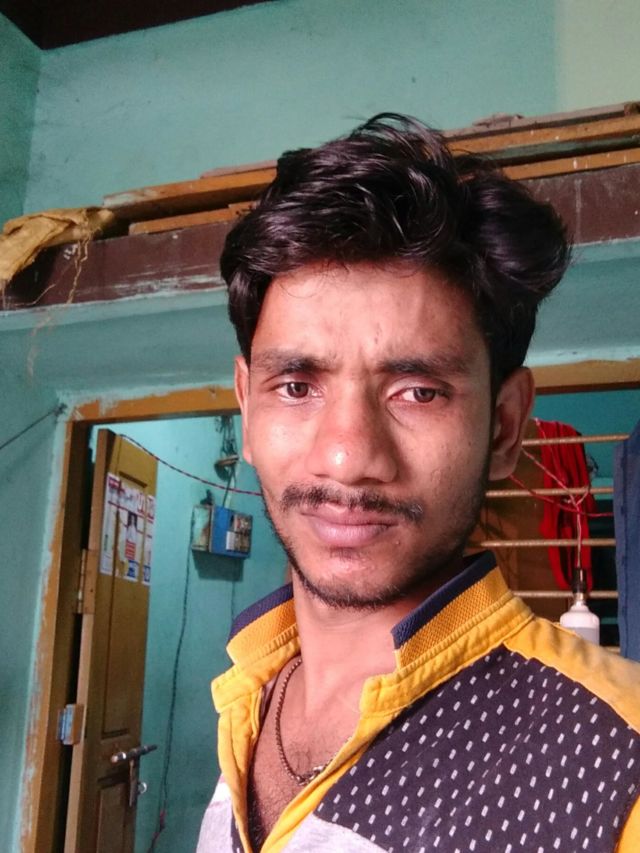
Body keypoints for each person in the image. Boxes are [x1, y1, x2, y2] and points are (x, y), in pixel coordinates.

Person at [197, 114, 640, 853]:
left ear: (503, 428)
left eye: (418, 391)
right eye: (297, 386)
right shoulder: (248, 693)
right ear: (248, 409)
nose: (348, 457)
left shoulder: (615, 761)